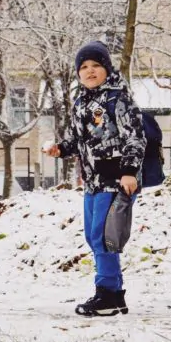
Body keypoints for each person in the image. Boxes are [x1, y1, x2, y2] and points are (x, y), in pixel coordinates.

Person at [45, 41, 146, 317]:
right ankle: (114, 294)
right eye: (84, 67)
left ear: (106, 69)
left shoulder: (118, 99)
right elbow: (80, 139)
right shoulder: (81, 102)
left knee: (105, 237)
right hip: (92, 182)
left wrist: (128, 171)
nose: (90, 71)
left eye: (96, 66)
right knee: (95, 237)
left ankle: (107, 294)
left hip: (115, 180)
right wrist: (61, 149)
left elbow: (135, 137)